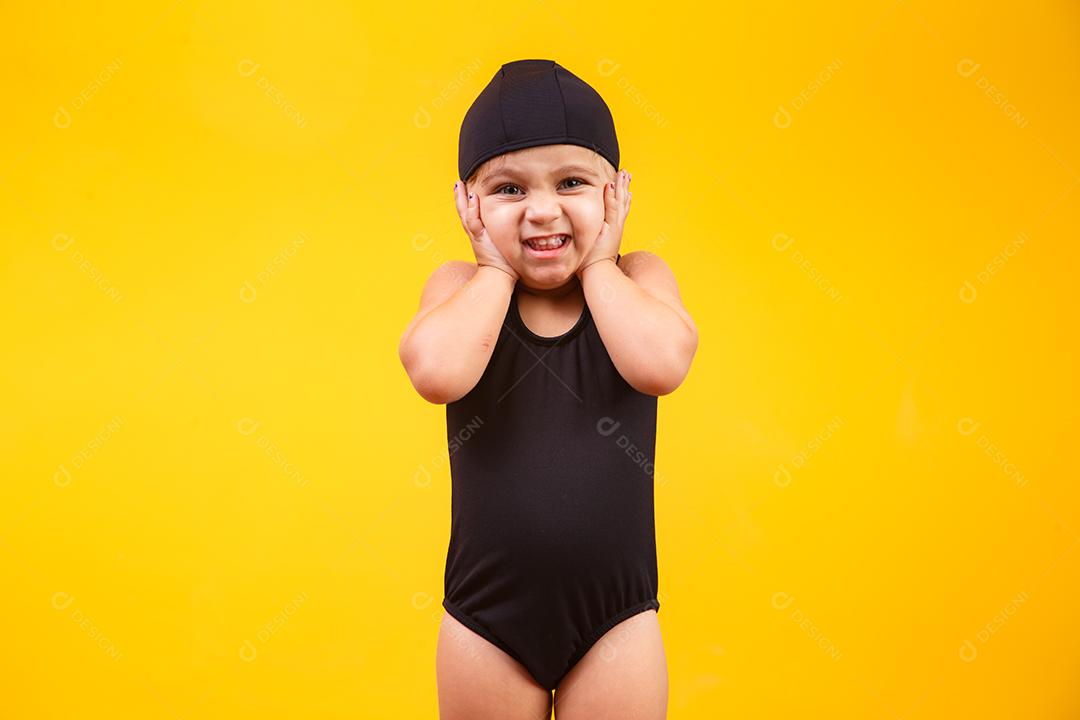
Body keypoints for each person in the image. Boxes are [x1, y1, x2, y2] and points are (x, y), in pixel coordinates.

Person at [398, 59, 698, 719]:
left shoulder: (637, 278)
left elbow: (663, 364)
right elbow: (438, 374)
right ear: (468, 204)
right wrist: (493, 271)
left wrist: (597, 265)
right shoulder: (461, 288)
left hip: (615, 620)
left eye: (572, 182)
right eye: (508, 190)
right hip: (488, 622)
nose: (542, 210)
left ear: (616, 193)